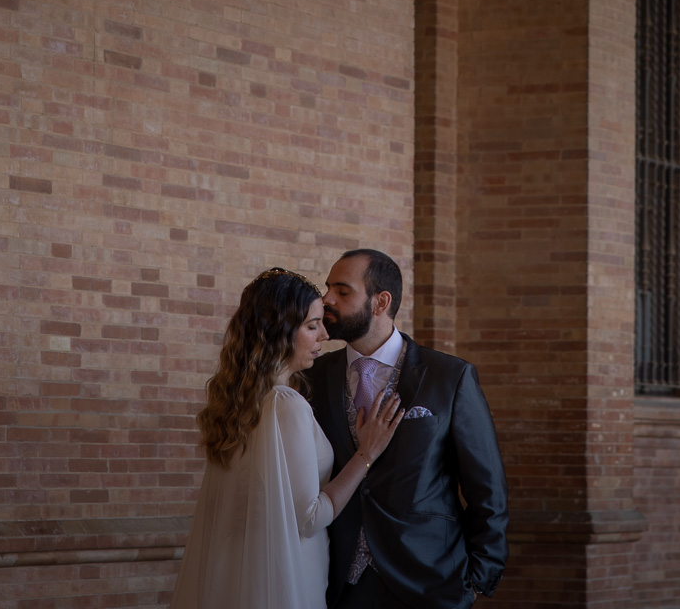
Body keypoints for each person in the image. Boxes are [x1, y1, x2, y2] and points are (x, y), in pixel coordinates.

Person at [172, 268, 406, 609]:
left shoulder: (238, 402)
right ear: (278, 331)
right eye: (312, 326)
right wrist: (366, 454)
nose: (324, 334)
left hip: (238, 574)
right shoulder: (286, 404)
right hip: (288, 576)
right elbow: (310, 518)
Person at [307, 249, 509, 608]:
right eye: (327, 289)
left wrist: (477, 579)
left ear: (381, 302)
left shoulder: (449, 377)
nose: (327, 300)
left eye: (342, 291)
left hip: (429, 584)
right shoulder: (312, 378)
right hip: (336, 584)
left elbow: (487, 489)